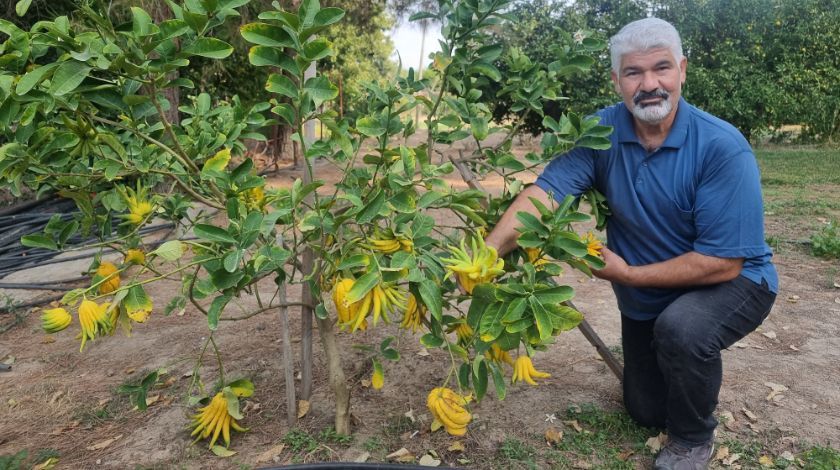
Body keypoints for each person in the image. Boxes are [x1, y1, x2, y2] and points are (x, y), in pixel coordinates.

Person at [484, 17, 778, 470]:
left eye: (661, 68)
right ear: (616, 80)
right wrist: (487, 255)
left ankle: (692, 439)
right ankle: (676, 374)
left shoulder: (722, 146)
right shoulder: (600, 132)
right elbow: (545, 195)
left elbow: (723, 263)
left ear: (682, 70)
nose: (650, 84)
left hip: (735, 280)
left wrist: (628, 274)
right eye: (634, 72)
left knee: (683, 330)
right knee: (644, 410)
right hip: (650, 288)